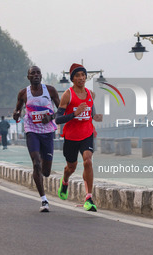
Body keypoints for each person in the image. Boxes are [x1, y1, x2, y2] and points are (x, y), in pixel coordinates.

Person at [55, 63, 103, 212]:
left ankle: (88, 198)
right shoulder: (67, 95)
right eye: (77, 76)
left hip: (87, 133)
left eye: (83, 75)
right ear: (72, 79)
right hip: (71, 136)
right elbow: (58, 119)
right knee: (71, 167)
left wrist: (96, 117)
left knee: (88, 161)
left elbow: (91, 112)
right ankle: (65, 180)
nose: (81, 78)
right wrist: (74, 114)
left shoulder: (90, 94)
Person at [13, 66, 60, 212]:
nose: (36, 75)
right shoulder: (23, 93)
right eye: (32, 73)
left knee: (46, 171)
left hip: (47, 132)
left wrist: (51, 117)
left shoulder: (50, 90)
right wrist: (16, 115)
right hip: (31, 131)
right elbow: (18, 111)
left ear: (41, 75)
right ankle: (44, 200)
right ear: (28, 77)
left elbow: (62, 111)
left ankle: (41, 170)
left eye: (38, 73)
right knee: (36, 163)